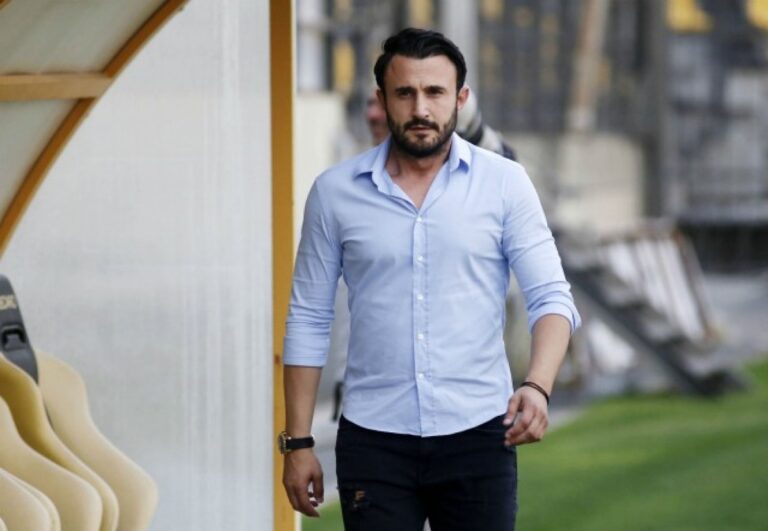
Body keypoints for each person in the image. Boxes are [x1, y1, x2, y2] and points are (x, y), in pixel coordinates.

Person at [280, 28, 580, 530]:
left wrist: (538, 386)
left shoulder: (504, 183)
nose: (421, 108)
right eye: (405, 93)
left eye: (435, 92)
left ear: (460, 99)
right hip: (373, 439)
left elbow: (551, 297)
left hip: (480, 434)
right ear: (382, 100)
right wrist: (298, 442)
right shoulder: (334, 193)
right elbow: (308, 317)